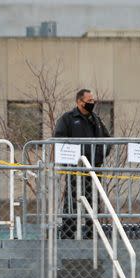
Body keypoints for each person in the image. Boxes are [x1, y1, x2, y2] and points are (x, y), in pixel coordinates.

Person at [54, 88, 112, 239]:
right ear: (79, 102)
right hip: (75, 169)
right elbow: (59, 140)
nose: (92, 103)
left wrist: (100, 155)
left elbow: (107, 140)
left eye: (93, 101)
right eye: (89, 101)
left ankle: (93, 233)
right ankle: (68, 234)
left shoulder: (96, 120)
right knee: (72, 202)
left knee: (94, 202)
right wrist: (72, 159)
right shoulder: (68, 119)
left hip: (93, 168)